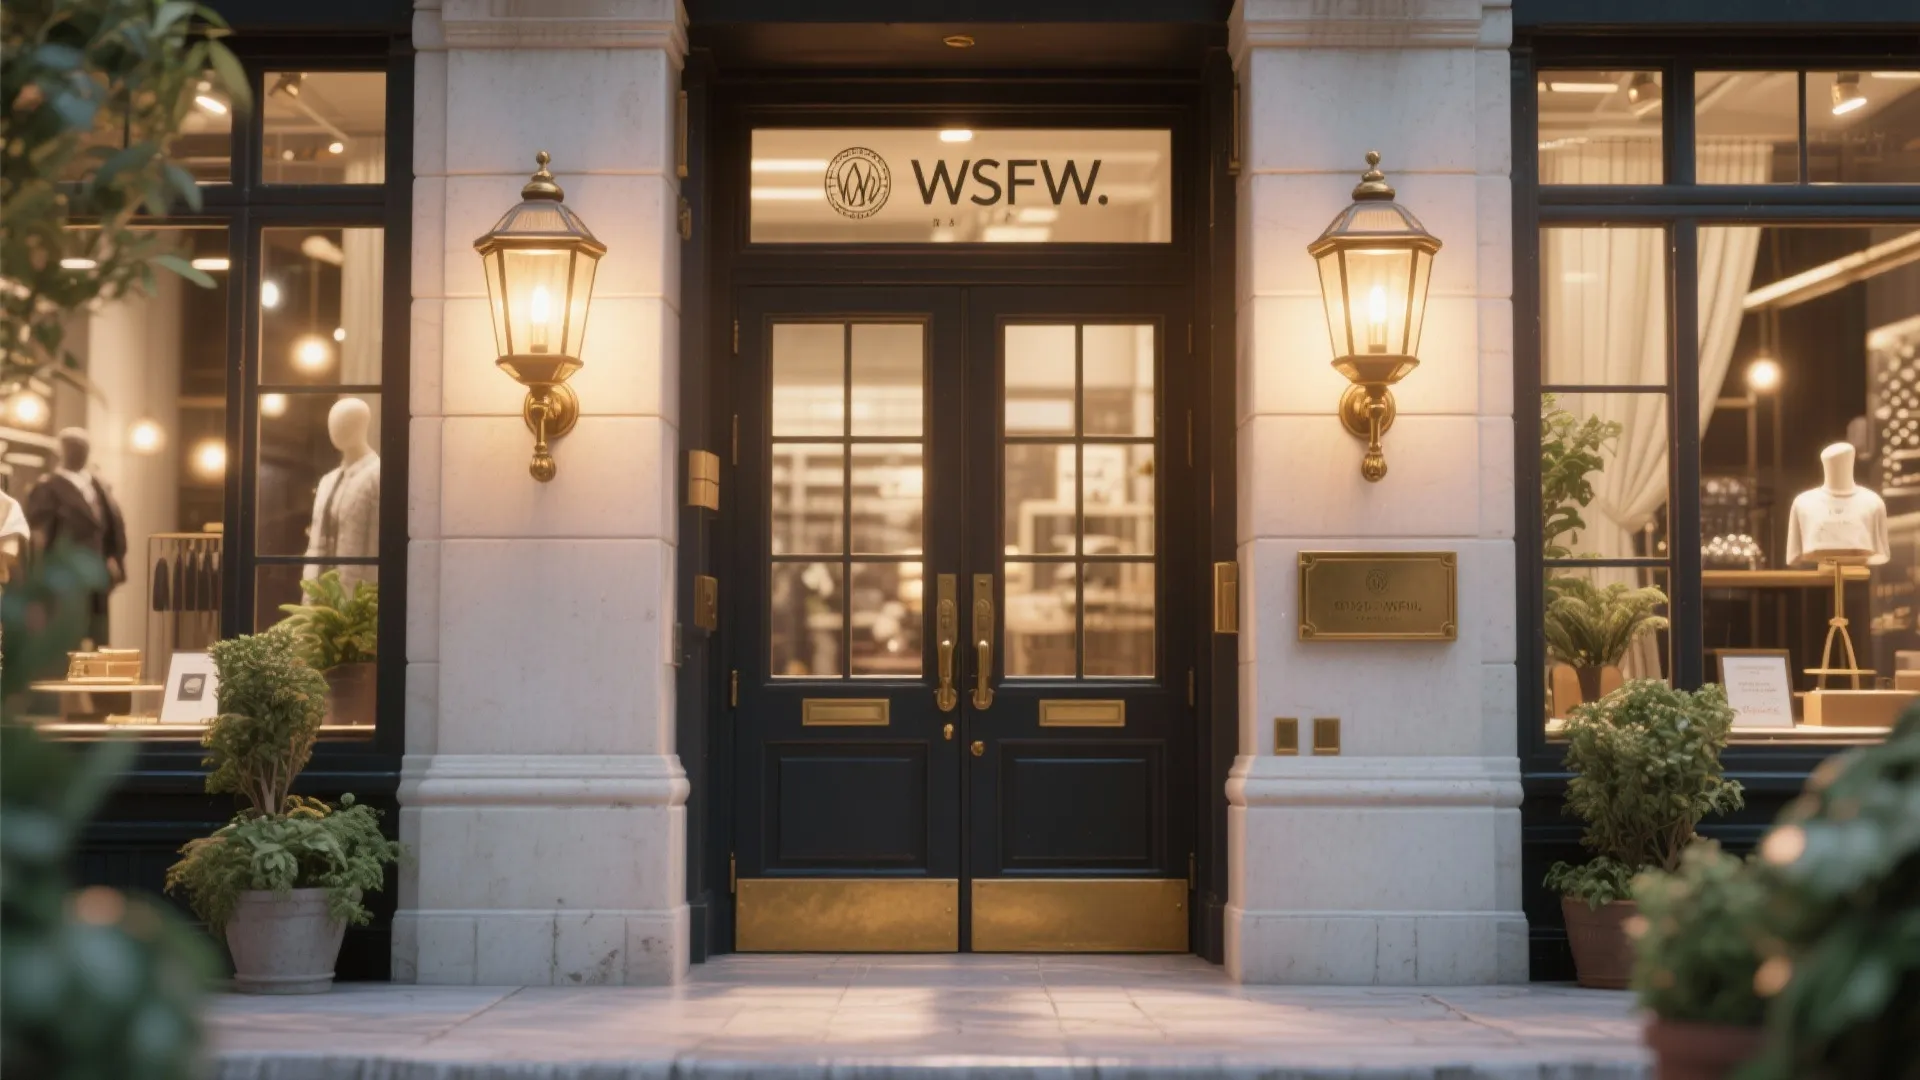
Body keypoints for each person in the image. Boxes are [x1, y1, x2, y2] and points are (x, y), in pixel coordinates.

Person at [25, 428, 127, 646]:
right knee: (67, 633)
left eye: (83, 448)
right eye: (72, 448)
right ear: (60, 452)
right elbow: (39, 534)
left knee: (96, 631)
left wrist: (113, 556)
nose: (78, 452)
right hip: (65, 572)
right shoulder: (48, 488)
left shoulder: (97, 486)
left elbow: (111, 524)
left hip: (97, 568)